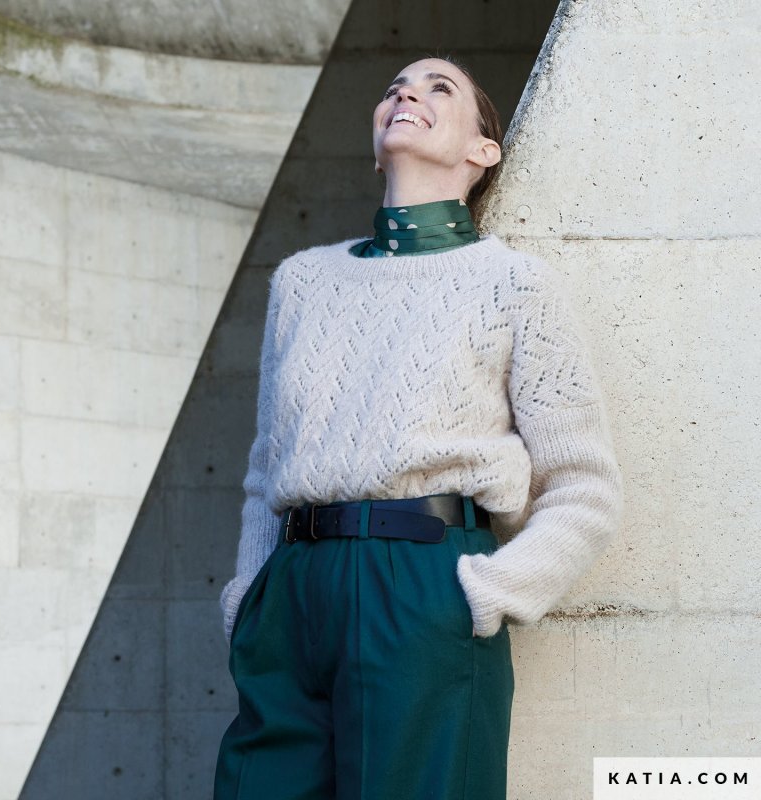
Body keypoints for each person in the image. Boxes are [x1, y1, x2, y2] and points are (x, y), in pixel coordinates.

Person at [213, 54, 623, 800]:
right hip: (292, 591)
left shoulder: (514, 283)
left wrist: (492, 590)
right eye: (395, 87)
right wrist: (248, 599)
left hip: (424, 585)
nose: (407, 93)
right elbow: (265, 469)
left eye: (440, 88)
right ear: (376, 147)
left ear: (482, 150)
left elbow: (584, 486)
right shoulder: (302, 281)